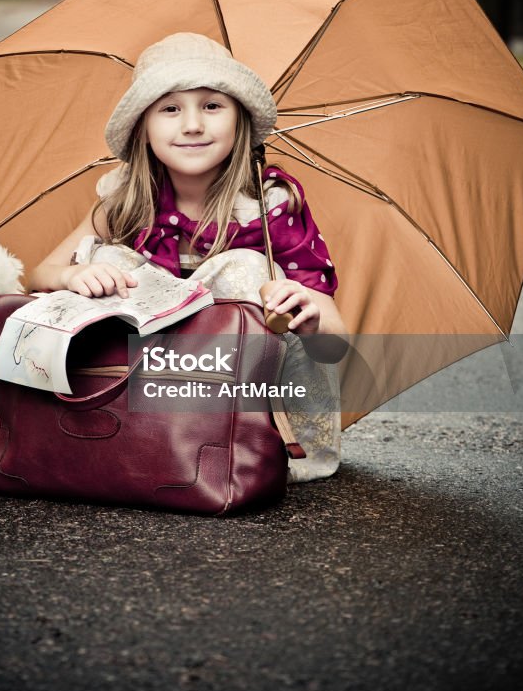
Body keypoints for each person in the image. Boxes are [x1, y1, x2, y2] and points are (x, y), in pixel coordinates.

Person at [30, 33, 348, 480]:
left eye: (212, 105)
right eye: (171, 108)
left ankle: (257, 446)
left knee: (249, 269)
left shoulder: (271, 206)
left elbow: (335, 345)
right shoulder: (124, 203)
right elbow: (40, 274)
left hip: (258, 414)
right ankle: (130, 434)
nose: (193, 124)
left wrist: (310, 321)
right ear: (144, 127)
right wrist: (75, 275)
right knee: (111, 260)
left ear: (240, 120)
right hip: (157, 405)